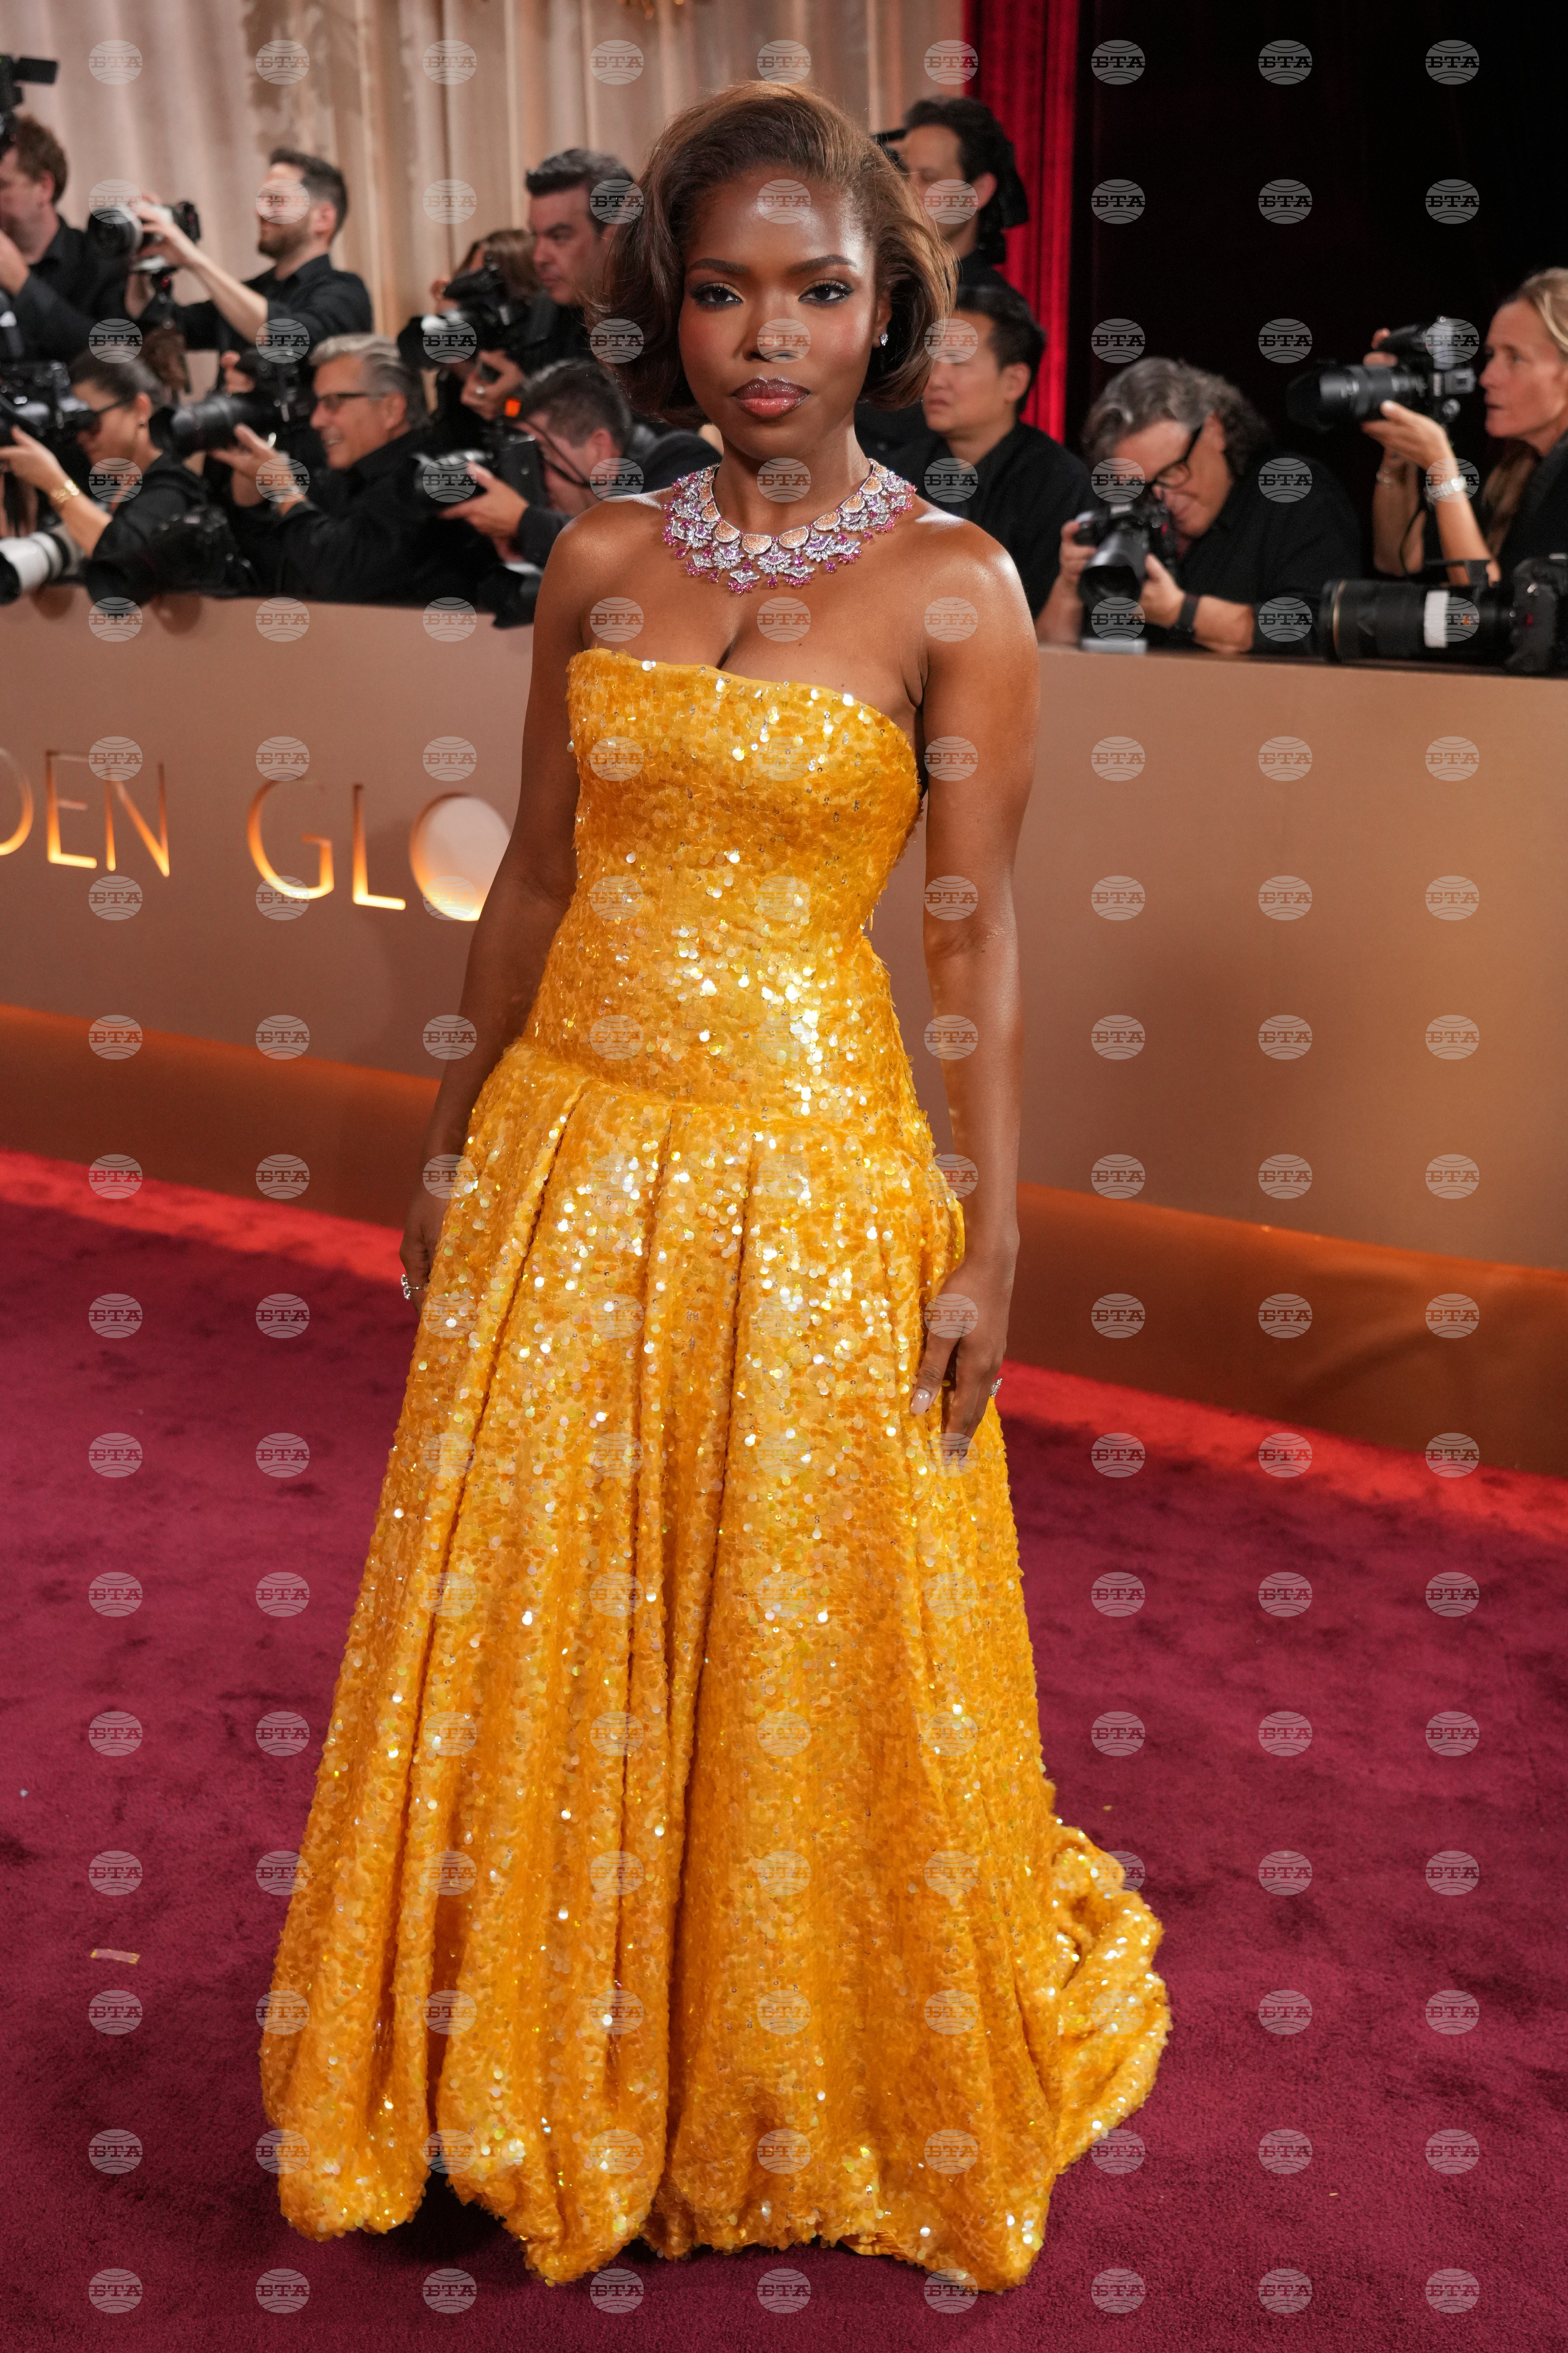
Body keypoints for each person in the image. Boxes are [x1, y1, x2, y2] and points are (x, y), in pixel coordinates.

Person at [259, 80, 1167, 2294]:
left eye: (822, 292)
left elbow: (972, 930)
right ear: (672, 309)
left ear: (889, 308)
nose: (771, 338)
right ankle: (516, 2057)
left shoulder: (956, 588)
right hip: (575, 1148)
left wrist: (999, 1229)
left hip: (815, 1180)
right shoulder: (596, 560)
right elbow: (541, 876)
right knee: (539, 1611)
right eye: (730, 292)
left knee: (790, 1629)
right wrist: (454, 1124)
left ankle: (758, 2062)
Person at [1037, 356, 1362, 654]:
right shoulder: (1125, 514)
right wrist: (1069, 586)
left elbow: (1322, 626)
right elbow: (1052, 672)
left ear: (1215, 431)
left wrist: (1182, 612)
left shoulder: (1293, 494)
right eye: (1142, 487)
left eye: (1174, 472)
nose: (1164, 497)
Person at [214, 332, 506, 608]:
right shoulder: (345, 479)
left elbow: (339, 574)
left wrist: (283, 489)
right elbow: (263, 547)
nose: (316, 420)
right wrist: (250, 447)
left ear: (392, 409)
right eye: (317, 404)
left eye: (332, 403)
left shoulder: (429, 481)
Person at [864, 282, 1089, 622]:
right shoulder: (893, 476)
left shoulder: (1059, 484)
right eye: (932, 360)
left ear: (1014, 382)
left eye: (958, 362)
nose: (936, 379)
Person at [1364, 271, 1568, 585]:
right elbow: (1397, 557)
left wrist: (1442, 470)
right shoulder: (1515, 469)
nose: (1487, 377)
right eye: (1491, 355)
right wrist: (1399, 440)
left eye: (1515, 358)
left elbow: (1503, 615)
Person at [0, 350, 234, 601]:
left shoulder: (174, 488)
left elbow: (124, 561)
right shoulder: (98, 490)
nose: (82, 437)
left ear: (139, 409)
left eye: (89, 420)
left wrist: (54, 484)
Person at [449, 356, 714, 569]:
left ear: (598, 448)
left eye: (540, 454)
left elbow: (641, 561)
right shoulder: (577, 524)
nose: (533, 476)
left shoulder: (684, 462)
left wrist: (526, 523)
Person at [124, 148, 371, 359]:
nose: (260, 211)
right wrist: (140, 253)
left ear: (323, 219)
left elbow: (287, 337)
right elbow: (165, 325)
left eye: (276, 200)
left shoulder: (346, 293)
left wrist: (195, 260)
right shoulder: (256, 291)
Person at [0, 115, 127, 362]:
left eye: (1, 185)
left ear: (44, 188)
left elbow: (114, 358)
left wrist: (23, 285)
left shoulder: (101, 263)